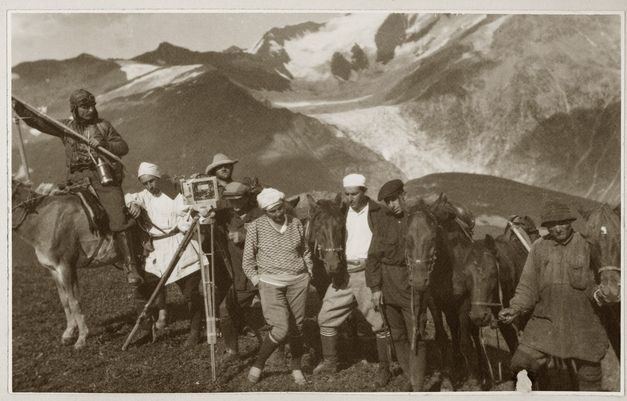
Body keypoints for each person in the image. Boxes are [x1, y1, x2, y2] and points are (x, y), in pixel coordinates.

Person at [13, 89, 142, 285]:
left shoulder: (103, 126)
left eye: (92, 106)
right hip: (74, 182)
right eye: (85, 107)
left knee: (118, 216)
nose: (91, 110)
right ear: (75, 109)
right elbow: (39, 122)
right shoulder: (66, 128)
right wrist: (19, 107)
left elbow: (123, 147)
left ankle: (131, 266)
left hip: (101, 180)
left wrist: (104, 144)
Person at [498, 200, 611, 391]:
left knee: (590, 380)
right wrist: (515, 308)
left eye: (562, 223)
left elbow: (602, 283)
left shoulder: (587, 245)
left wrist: (601, 294)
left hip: (583, 324)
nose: (557, 228)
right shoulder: (539, 248)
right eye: (552, 225)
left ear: (571, 221)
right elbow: (527, 286)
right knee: (520, 366)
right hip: (545, 322)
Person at [313, 174, 392, 388]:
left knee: (379, 321)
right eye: (347, 194)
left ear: (364, 191)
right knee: (326, 316)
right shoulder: (342, 211)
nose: (350, 198)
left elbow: (386, 241)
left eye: (354, 194)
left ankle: (385, 367)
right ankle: (330, 361)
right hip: (345, 273)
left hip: (368, 273)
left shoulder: (378, 212)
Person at [125, 162, 207, 346]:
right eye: (145, 183)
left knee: (190, 293)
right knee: (143, 290)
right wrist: (132, 203)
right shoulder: (143, 196)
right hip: (158, 250)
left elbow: (187, 212)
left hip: (180, 244)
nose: (149, 186)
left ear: (158, 178)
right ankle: (147, 330)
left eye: (152, 181)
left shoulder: (173, 195)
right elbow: (129, 197)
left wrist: (185, 223)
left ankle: (195, 331)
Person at [242, 188, 313, 385]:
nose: (278, 214)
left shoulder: (296, 223)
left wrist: (309, 273)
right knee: (281, 328)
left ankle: (297, 367)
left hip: (298, 281)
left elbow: (305, 251)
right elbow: (247, 260)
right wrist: (257, 280)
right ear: (265, 212)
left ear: (284, 205)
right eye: (272, 211)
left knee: (297, 328)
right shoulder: (256, 227)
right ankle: (259, 364)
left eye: (280, 209)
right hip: (270, 282)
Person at [367, 179, 428, 391]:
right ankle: (410, 376)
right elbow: (373, 257)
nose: (391, 204)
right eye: (387, 201)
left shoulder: (417, 221)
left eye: (394, 199)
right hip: (387, 285)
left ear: (404, 195)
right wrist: (375, 289)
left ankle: (418, 387)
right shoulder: (383, 222)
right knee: (398, 334)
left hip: (410, 284)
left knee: (416, 335)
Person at [217, 181, 266, 360]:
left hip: (263, 274)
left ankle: (279, 350)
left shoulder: (261, 213)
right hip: (241, 277)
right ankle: (232, 350)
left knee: (274, 313)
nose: (234, 205)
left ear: (247, 197)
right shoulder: (227, 215)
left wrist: (245, 236)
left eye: (238, 200)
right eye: (231, 201)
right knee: (225, 310)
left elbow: (272, 236)